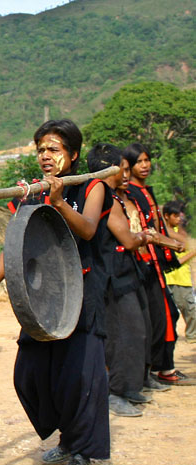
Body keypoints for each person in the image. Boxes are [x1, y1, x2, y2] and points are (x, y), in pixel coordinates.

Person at [0, 119, 112, 465]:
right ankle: (67, 437)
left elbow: (87, 229)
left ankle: (83, 453)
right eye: (41, 150)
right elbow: (15, 245)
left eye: (53, 149)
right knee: (31, 375)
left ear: (73, 154)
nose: (46, 156)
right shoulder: (32, 193)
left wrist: (59, 202)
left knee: (78, 378)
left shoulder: (92, 186)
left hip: (81, 298)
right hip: (41, 301)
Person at [86, 144, 154, 417]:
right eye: (121, 169)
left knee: (135, 331)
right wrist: (143, 237)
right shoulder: (108, 201)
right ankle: (116, 392)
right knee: (123, 334)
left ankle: (128, 387)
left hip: (123, 274)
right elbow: (127, 239)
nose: (125, 175)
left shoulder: (111, 197)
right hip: (112, 277)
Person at [123, 144, 189, 385]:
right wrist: (168, 244)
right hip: (143, 264)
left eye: (147, 160)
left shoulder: (144, 191)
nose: (145, 165)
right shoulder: (130, 192)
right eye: (139, 161)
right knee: (158, 317)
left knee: (166, 315)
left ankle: (162, 367)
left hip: (154, 263)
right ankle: (158, 369)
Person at [162, 201, 196, 343]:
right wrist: (193, 252)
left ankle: (191, 337)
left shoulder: (180, 234)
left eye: (179, 216)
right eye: (175, 216)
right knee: (170, 314)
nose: (178, 219)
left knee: (190, 312)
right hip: (169, 278)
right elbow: (175, 262)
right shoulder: (165, 235)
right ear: (167, 216)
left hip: (183, 279)